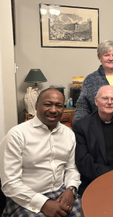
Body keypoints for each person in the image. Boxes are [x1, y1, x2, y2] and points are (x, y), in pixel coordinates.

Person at [0, 88, 81, 217]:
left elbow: (71, 168)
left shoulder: (68, 134)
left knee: (89, 211)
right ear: (37, 106)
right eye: (48, 104)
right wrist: (43, 203)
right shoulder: (17, 135)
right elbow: (10, 183)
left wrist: (71, 189)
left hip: (61, 193)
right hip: (26, 197)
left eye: (59, 105)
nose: (53, 110)